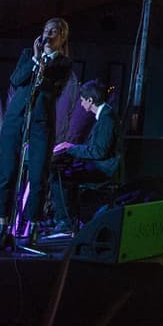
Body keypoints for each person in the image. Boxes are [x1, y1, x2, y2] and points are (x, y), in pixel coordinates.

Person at [0, 17, 72, 252]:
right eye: (46, 30)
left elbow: (53, 90)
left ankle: (33, 228)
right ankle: (3, 228)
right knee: (7, 173)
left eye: (54, 32)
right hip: (17, 119)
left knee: (38, 175)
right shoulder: (28, 54)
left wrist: (44, 68)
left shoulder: (63, 64)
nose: (48, 35)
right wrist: (36, 59)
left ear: (62, 37)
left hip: (41, 122)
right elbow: (16, 80)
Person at [50, 79, 121, 231]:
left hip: (104, 169)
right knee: (62, 173)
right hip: (99, 165)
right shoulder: (105, 116)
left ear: (90, 100)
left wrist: (71, 148)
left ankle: (66, 222)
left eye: (82, 101)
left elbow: (99, 151)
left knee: (59, 178)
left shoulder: (107, 118)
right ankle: (67, 219)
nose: (81, 104)